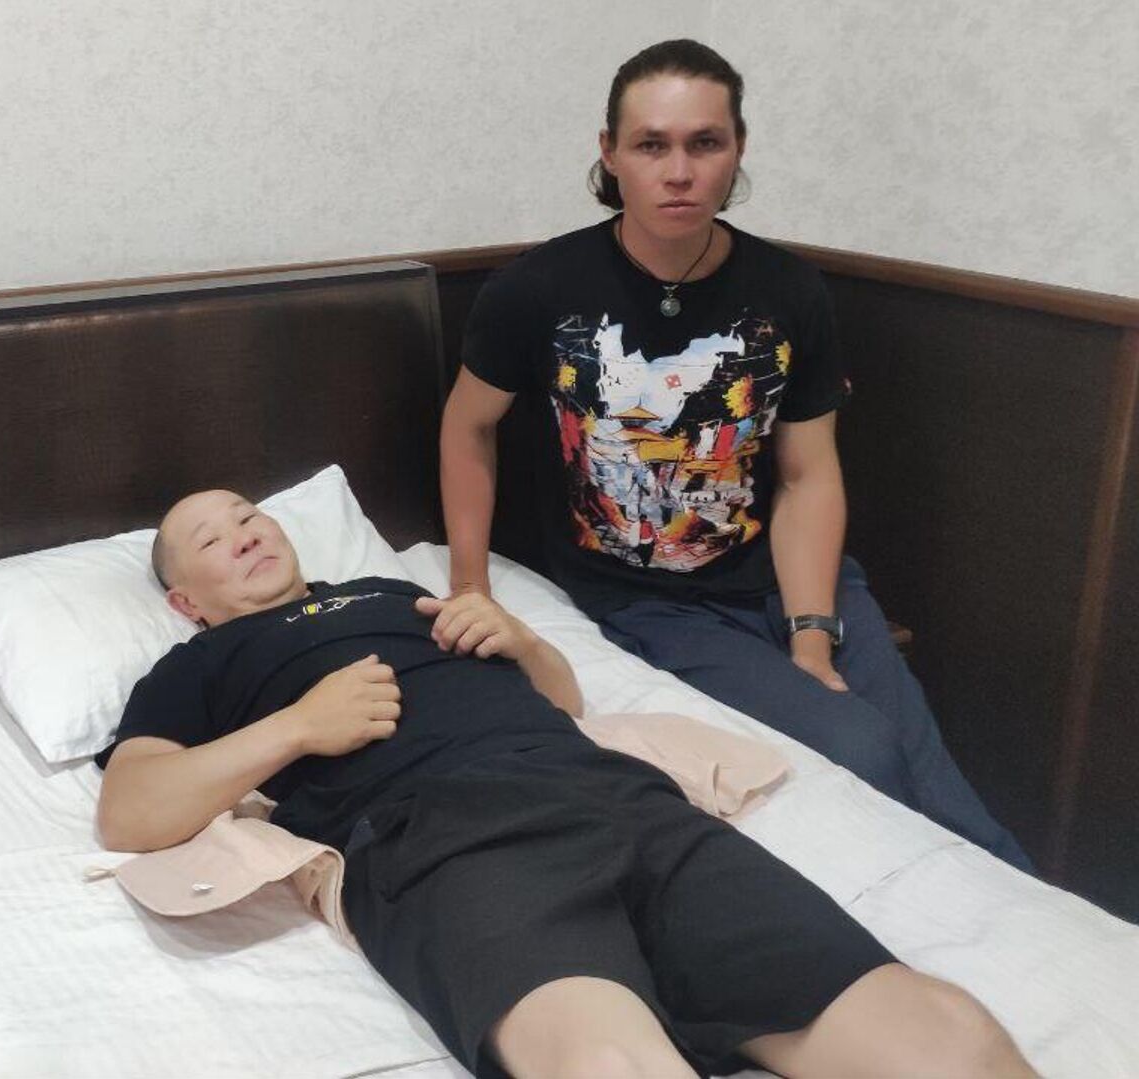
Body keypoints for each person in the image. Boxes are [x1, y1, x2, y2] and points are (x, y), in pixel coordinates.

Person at [99, 489, 1033, 1078]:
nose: (244, 533)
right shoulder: (199, 665)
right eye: (211, 539)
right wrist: (300, 726)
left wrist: (523, 641)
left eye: (249, 515)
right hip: (447, 840)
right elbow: (130, 811)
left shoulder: (391, 591)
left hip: (609, 790)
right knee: (609, 1064)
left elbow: (563, 701)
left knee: (948, 1033)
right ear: (186, 601)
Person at [437, 39, 1030, 869]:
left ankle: (1029, 909)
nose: (679, 172)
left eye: (705, 143)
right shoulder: (536, 288)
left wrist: (811, 637)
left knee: (936, 777)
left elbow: (808, 474)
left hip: (788, 571)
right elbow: (467, 427)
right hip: (648, 594)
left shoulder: (789, 289)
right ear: (610, 153)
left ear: (738, 149)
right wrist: (470, 586)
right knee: (863, 749)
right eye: (652, 145)